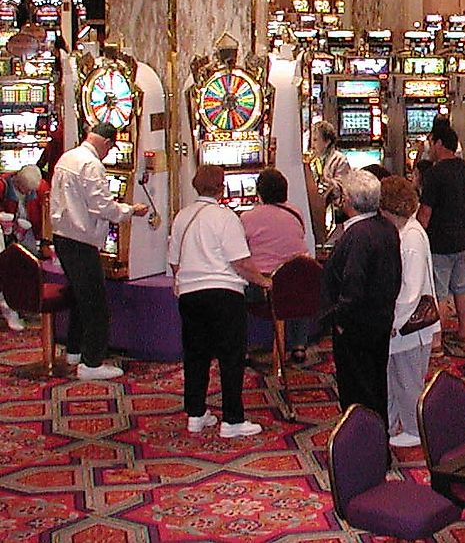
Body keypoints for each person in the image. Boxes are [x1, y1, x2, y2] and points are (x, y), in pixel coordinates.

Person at [169, 165, 270, 438]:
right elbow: (240, 262)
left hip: (190, 293)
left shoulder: (182, 216)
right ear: (221, 188)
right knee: (231, 356)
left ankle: (196, 413)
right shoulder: (225, 218)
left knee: (195, 355)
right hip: (223, 292)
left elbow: (174, 261)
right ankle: (232, 419)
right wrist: (263, 280)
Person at [51, 123, 149, 380]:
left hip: (62, 236)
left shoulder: (67, 157)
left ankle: (74, 351)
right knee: (96, 304)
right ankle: (91, 363)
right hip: (81, 240)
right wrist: (130, 211)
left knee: (79, 297)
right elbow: (102, 207)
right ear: (106, 143)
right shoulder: (92, 165)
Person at [323, 169, 402, 419]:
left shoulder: (358, 235)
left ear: (347, 200)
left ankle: (363, 447)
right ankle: (377, 443)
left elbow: (353, 285)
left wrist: (340, 321)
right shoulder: (385, 227)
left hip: (357, 324)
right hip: (380, 317)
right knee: (376, 384)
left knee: (357, 391)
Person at [379, 175, 439, 448]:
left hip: (411, 327)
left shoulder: (411, 238)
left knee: (408, 380)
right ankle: (391, 425)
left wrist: (392, 321)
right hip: (403, 325)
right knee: (394, 377)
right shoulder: (404, 232)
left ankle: (415, 430)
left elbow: (410, 292)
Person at [240, 168, 314, 363]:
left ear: (260, 192)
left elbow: (240, 252)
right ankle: (299, 345)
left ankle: (243, 346)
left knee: (235, 291)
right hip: (296, 285)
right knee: (298, 282)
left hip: (264, 288)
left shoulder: (248, 217)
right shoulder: (295, 212)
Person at [417, 121, 465, 345]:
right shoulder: (463, 168)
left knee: (439, 293)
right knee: (461, 289)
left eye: (431, 143)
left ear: (440, 143)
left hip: (439, 241)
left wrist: (416, 235)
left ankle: (437, 341)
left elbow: (425, 213)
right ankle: (464, 332)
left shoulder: (434, 174)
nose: (429, 148)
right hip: (460, 238)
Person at [0, 165, 51, 331]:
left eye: (31, 191)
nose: (29, 194)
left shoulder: (42, 188)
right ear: (17, 183)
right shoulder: (4, 185)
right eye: (25, 190)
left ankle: (26, 303)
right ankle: (11, 306)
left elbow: (46, 216)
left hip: (29, 232)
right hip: (6, 233)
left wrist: (44, 240)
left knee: (31, 263)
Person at [309, 120, 352, 232]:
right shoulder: (312, 160)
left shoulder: (340, 159)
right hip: (316, 206)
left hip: (335, 210)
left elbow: (341, 188)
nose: (312, 145)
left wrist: (324, 179)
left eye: (315, 140)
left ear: (327, 141)